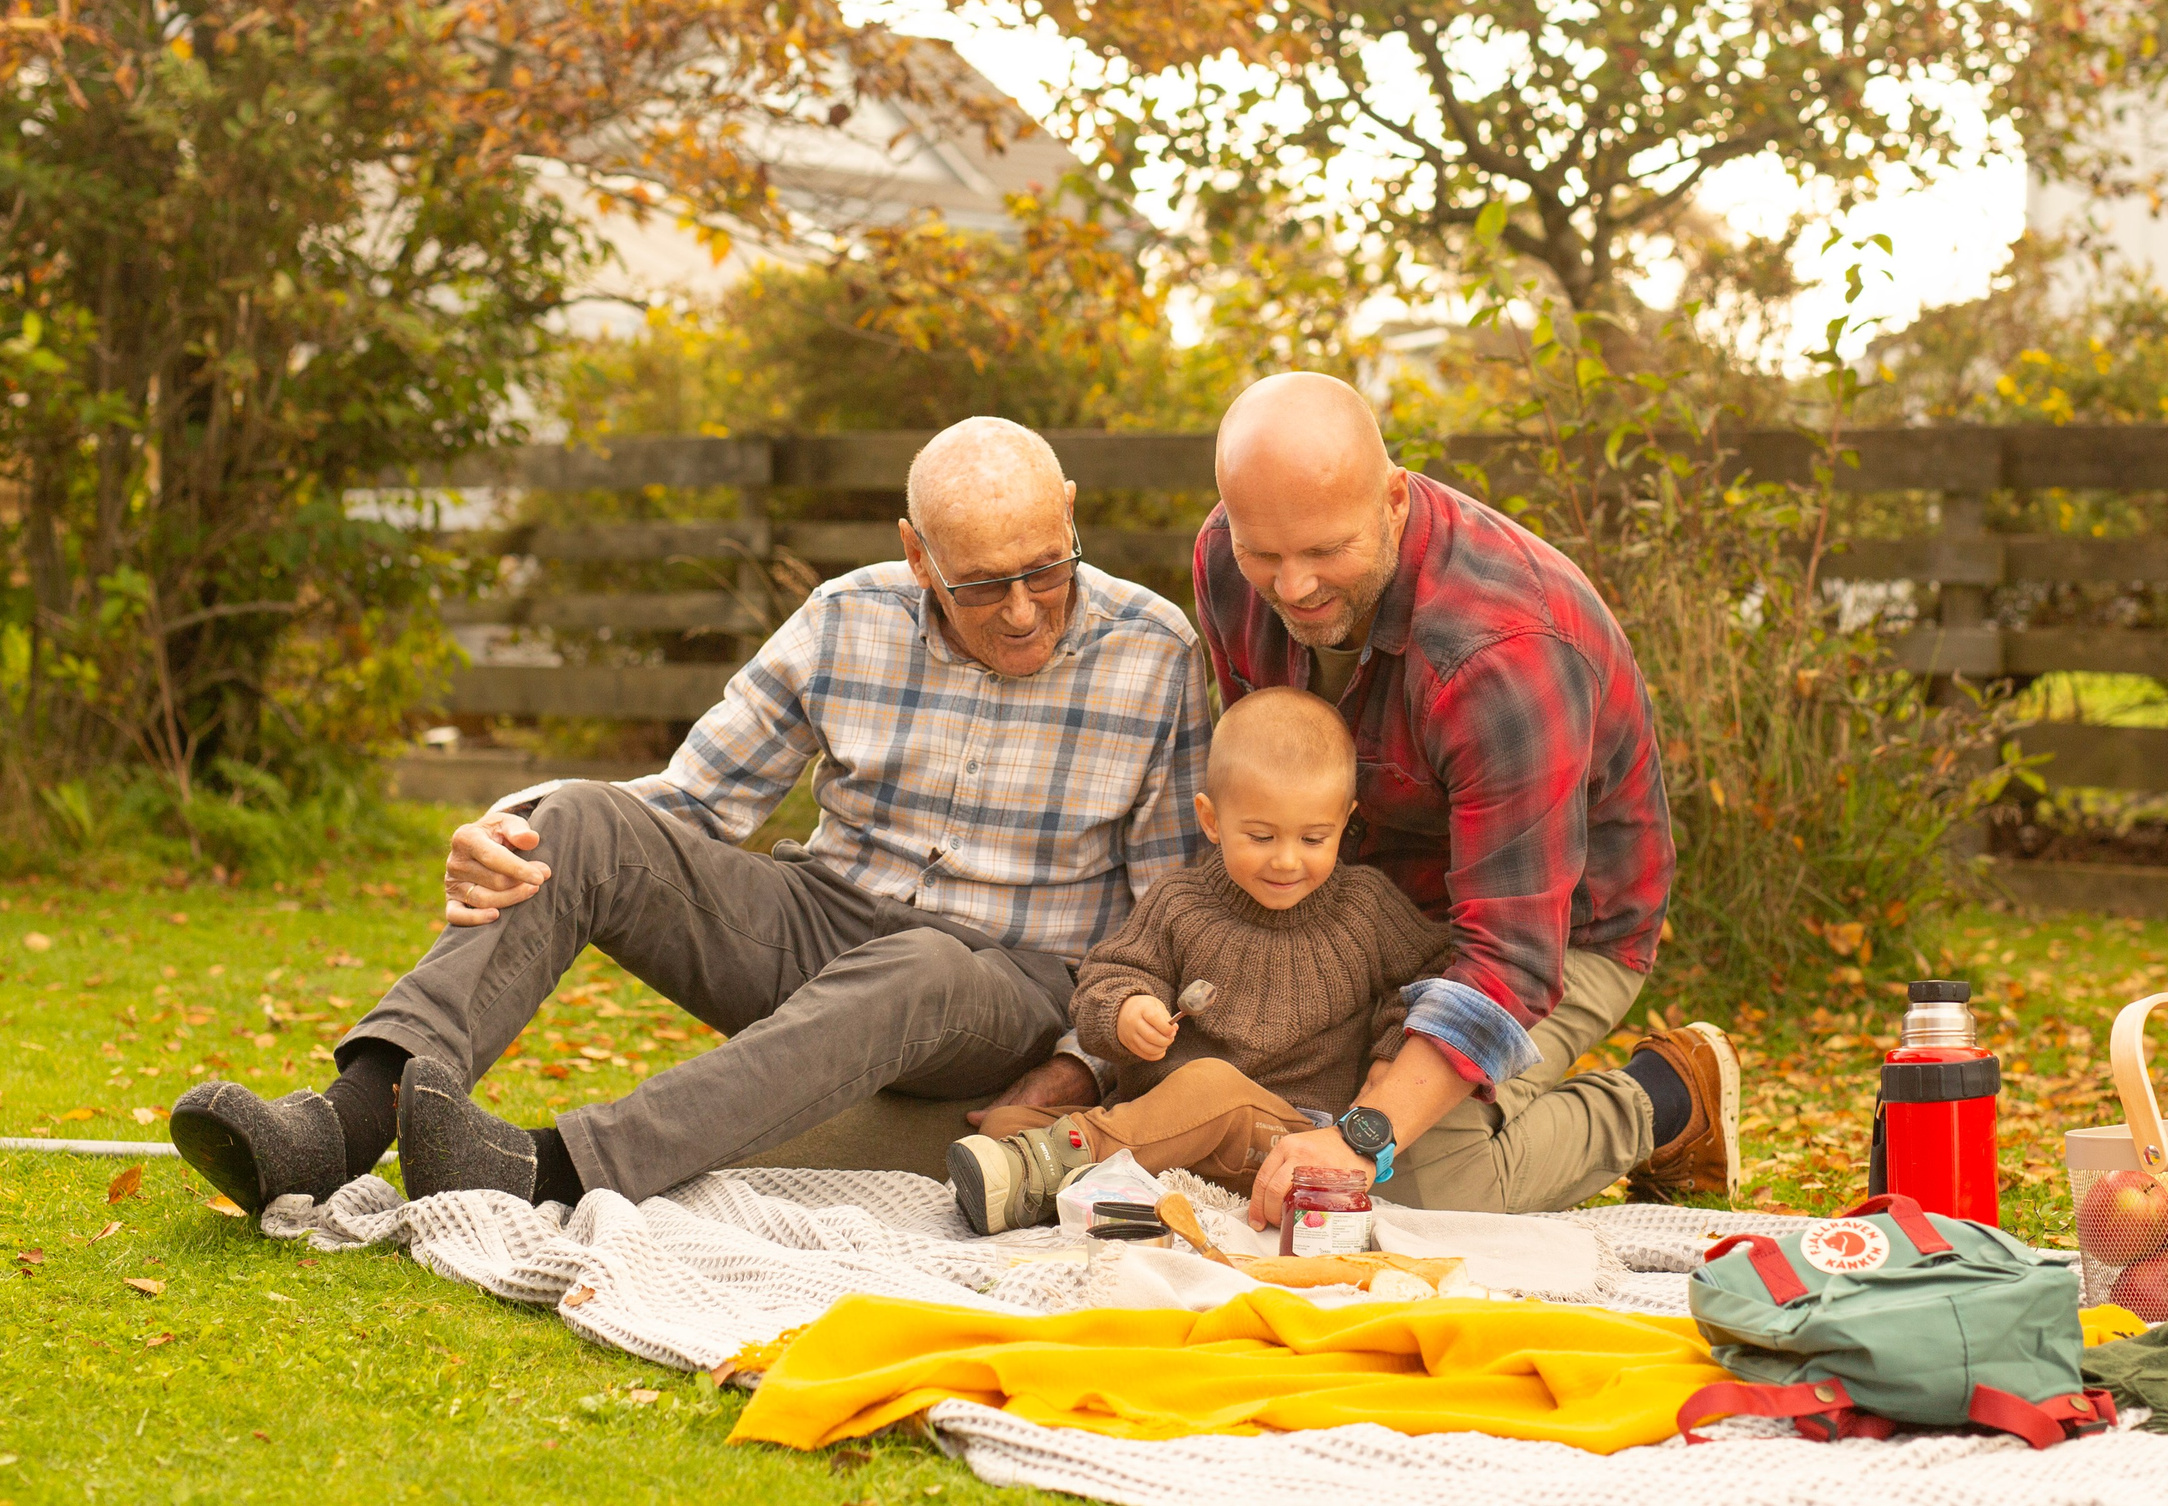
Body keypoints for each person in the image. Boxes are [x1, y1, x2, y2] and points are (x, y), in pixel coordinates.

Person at [170, 418, 1211, 1215]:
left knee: (926, 964)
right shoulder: (847, 616)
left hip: (1001, 980)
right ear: (915, 551)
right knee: (575, 818)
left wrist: (1093, 1062)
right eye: (983, 584)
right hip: (821, 916)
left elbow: (1165, 912)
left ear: (1072, 509)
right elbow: (690, 803)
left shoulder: (1154, 650)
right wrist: (511, 820)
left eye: (1046, 565)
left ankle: (550, 1168)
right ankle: (349, 1118)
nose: (1025, 606)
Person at [1193, 373, 1739, 1226]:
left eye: (1324, 552)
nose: (1291, 588)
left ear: (1393, 500)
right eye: (1265, 554)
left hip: (1554, 936)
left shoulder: (1501, 658)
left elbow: (1509, 959)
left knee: (1414, 1188)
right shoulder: (1228, 559)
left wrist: (1368, 1129)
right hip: (1362, 902)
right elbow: (1255, 778)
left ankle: (1667, 1098)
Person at [946, 687, 1448, 1233]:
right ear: (1211, 820)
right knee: (1006, 1124)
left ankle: (1062, 1167)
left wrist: (1388, 1050)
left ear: (1346, 821)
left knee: (1211, 1084)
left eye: (1313, 837)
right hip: (1163, 1124)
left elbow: (1437, 972)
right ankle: (1097, 1187)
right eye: (1260, 836)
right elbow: (1103, 981)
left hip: (1284, 1140)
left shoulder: (1364, 906)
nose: (1286, 859)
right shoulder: (1179, 902)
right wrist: (1125, 1011)